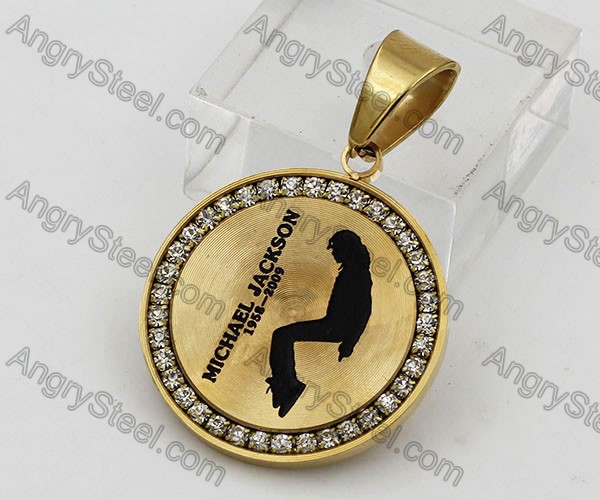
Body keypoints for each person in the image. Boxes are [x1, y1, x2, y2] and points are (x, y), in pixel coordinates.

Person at [266, 229, 373, 417]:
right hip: (333, 324)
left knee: (283, 335)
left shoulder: (357, 274)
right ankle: (286, 384)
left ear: (345, 249)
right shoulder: (351, 271)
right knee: (283, 335)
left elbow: (364, 310)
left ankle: (288, 385)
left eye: (335, 249)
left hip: (336, 328)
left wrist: (350, 343)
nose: (332, 253)